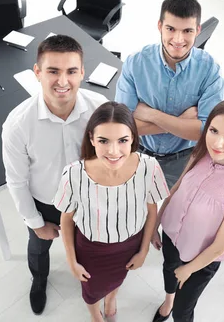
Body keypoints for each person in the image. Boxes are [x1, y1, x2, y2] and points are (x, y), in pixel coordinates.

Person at [2, 35, 107, 315]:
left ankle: (93, 284)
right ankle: (39, 279)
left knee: (91, 248)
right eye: (53, 71)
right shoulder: (18, 125)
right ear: (37, 73)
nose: (63, 81)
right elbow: (17, 181)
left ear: (82, 72)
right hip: (45, 202)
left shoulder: (100, 110)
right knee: (38, 248)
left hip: (88, 201)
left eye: (71, 71)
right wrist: (36, 223)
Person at [54, 101, 169, 322]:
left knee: (117, 280)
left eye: (123, 140)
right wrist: (71, 260)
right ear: (91, 139)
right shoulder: (74, 174)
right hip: (90, 249)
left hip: (130, 243)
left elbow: (151, 210)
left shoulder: (149, 167)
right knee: (91, 291)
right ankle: (95, 315)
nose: (114, 151)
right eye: (103, 141)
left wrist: (143, 250)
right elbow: (66, 218)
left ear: (133, 138)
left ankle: (111, 299)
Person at [149, 99, 224, 322]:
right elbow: (175, 189)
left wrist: (189, 270)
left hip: (201, 259)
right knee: (169, 271)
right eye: (214, 130)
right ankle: (167, 301)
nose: (218, 142)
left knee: (183, 311)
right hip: (171, 236)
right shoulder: (199, 154)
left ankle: (175, 307)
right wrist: (155, 225)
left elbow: (221, 245)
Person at [115, 0, 224, 189]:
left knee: (170, 209)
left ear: (198, 30)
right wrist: (183, 123)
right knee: (128, 200)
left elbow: (206, 132)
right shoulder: (136, 63)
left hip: (181, 161)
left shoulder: (210, 71)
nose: (178, 39)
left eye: (187, 31)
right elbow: (122, 126)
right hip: (136, 152)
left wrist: (150, 114)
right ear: (160, 26)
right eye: (171, 29)